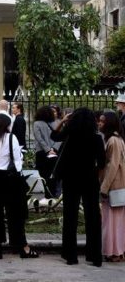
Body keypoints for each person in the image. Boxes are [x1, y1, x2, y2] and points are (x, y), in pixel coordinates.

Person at [0, 113, 39, 259]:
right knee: (15, 213)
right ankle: (22, 246)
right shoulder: (11, 138)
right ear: (6, 125)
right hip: (10, 178)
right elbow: (17, 161)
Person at [51, 108, 105, 267]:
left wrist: (62, 121)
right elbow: (102, 162)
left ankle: (70, 255)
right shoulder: (96, 138)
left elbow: (53, 135)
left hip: (70, 179)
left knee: (70, 216)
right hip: (90, 179)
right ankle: (95, 256)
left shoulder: (69, 135)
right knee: (93, 218)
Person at [98, 111, 125, 262]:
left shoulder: (113, 141)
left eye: (102, 121)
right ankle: (118, 251)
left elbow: (112, 166)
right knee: (117, 221)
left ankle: (114, 252)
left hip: (113, 186)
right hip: (118, 184)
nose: (99, 123)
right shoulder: (117, 139)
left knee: (111, 221)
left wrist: (104, 187)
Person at [33, 106, 60, 198]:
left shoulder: (36, 123)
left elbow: (39, 139)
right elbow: (60, 139)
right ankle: (53, 194)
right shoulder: (56, 123)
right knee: (52, 174)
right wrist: (53, 149)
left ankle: (47, 195)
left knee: (43, 175)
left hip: (41, 152)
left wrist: (47, 150)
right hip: (54, 153)